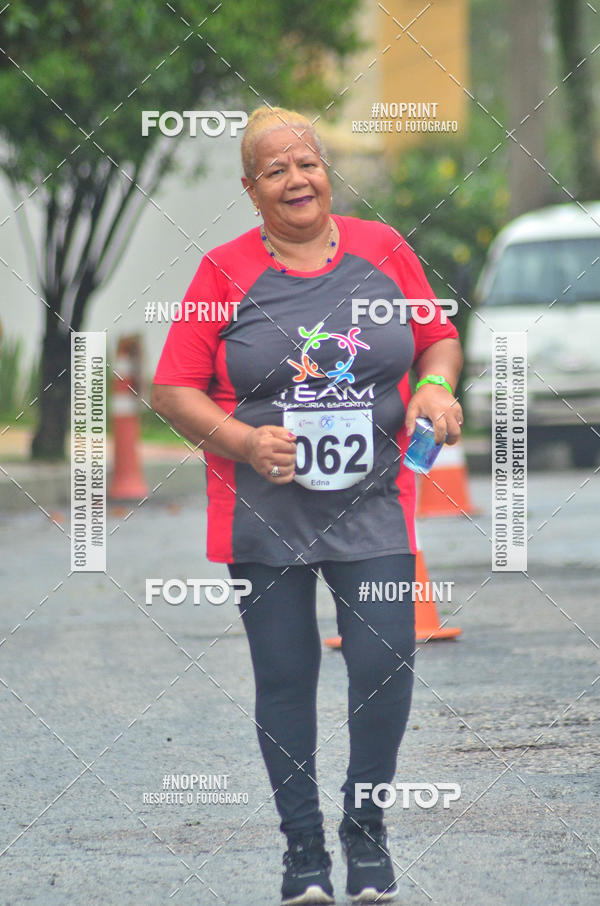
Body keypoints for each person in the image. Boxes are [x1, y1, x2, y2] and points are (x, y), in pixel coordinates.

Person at [151, 106, 463, 905]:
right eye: (277, 169)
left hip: (373, 503)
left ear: (327, 172)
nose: (298, 179)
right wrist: (244, 441)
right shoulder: (219, 272)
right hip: (265, 511)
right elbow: (172, 387)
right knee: (285, 681)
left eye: (309, 163)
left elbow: (436, 337)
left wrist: (433, 388)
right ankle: (303, 856)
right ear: (252, 188)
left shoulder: (383, 249)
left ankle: (366, 834)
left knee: (385, 664)